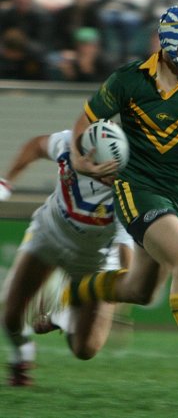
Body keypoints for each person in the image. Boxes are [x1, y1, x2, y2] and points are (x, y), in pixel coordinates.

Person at [69, 5, 178, 395]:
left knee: (140, 291)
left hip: (177, 197)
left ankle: (67, 293)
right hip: (136, 188)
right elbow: (83, 123)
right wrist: (83, 161)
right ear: (169, 43)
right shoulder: (128, 81)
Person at [1, 128, 134, 386]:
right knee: (11, 315)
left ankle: (63, 308)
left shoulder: (128, 189)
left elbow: (127, 254)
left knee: (85, 349)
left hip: (95, 261)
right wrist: (6, 182)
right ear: (88, 157)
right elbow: (36, 145)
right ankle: (22, 355)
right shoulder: (68, 145)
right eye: (105, 169)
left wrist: (122, 307)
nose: (112, 176)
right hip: (50, 235)